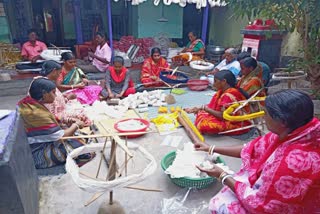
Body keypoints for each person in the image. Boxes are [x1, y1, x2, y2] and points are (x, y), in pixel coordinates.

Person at [195, 89, 320, 213]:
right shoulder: (296, 132)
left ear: (282, 121)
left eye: (266, 114)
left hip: (293, 208)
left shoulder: (292, 163)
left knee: (220, 204)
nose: (263, 117)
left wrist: (222, 176)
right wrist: (210, 148)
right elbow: (251, 149)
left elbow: (262, 207)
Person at [18, 78, 94, 169]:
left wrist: (68, 120)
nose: (55, 96)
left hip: (26, 147)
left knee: (81, 137)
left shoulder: (27, 103)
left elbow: (50, 121)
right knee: (83, 150)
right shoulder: (36, 113)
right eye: (53, 93)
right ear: (44, 93)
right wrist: (76, 125)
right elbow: (61, 137)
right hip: (36, 153)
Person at [184, 70, 251, 135]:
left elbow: (222, 116)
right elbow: (213, 106)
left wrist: (204, 108)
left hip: (237, 123)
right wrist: (199, 108)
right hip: (225, 117)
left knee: (205, 125)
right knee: (202, 113)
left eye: (215, 81)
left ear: (224, 81)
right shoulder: (222, 91)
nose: (213, 84)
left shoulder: (229, 95)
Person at [40, 60, 91, 126]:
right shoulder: (45, 85)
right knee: (81, 113)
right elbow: (54, 113)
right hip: (54, 119)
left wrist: (62, 96)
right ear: (54, 71)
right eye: (59, 73)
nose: (59, 75)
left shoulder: (45, 82)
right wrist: (74, 121)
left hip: (59, 113)